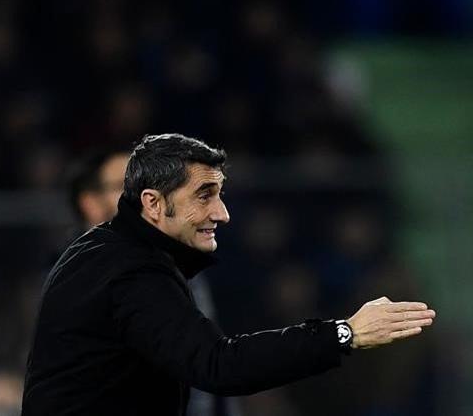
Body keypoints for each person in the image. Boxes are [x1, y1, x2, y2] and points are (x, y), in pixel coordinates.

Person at [22, 134, 435, 415]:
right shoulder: (131, 271)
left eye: (220, 195)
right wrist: (344, 333)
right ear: (152, 203)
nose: (222, 213)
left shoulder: (108, 252)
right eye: (204, 195)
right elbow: (218, 365)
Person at [64, 146, 238, 416]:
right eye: (126, 185)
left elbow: (208, 361)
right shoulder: (66, 276)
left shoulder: (178, 263)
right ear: (91, 203)